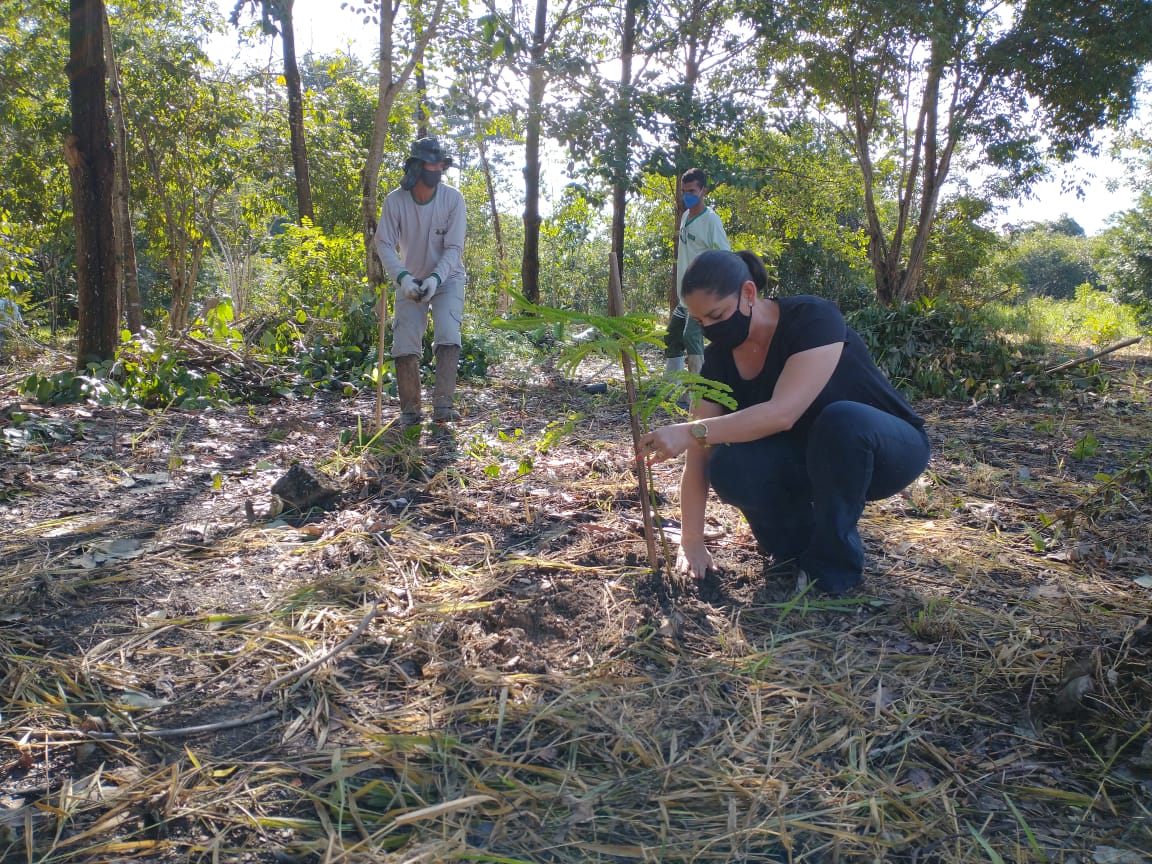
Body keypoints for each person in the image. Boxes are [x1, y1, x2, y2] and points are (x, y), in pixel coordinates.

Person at [639, 250, 931, 595]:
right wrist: (691, 539)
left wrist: (690, 431)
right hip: (807, 459)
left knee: (841, 420)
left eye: (717, 315)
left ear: (748, 293)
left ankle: (835, 570)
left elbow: (782, 413)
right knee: (729, 465)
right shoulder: (719, 359)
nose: (710, 329)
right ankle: (796, 548)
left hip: (884, 450)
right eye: (700, 322)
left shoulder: (811, 317)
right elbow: (700, 453)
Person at [374, 137, 467, 427]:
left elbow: (454, 248)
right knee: (404, 341)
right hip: (409, 279)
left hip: (448, 278)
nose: (438, 168)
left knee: (449, 334)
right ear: (417, 166)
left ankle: (443, 408)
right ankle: (410, 411)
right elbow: (384, 243)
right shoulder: (395, 202)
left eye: (441, 164)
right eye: (432, 163)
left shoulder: (453, 199)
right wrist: (403, 279)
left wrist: (436, 279)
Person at [664, 168, 730, 379]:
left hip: (700, 294)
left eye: (692, 191)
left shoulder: (711, 220)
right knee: (672, 337)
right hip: (684, 295)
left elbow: (724, 256)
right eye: (684, 191)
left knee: (691, 337)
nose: (687, 196)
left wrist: (715, 291)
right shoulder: (684, 216)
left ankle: (698, 394)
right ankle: (671, 386)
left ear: (704, 191)